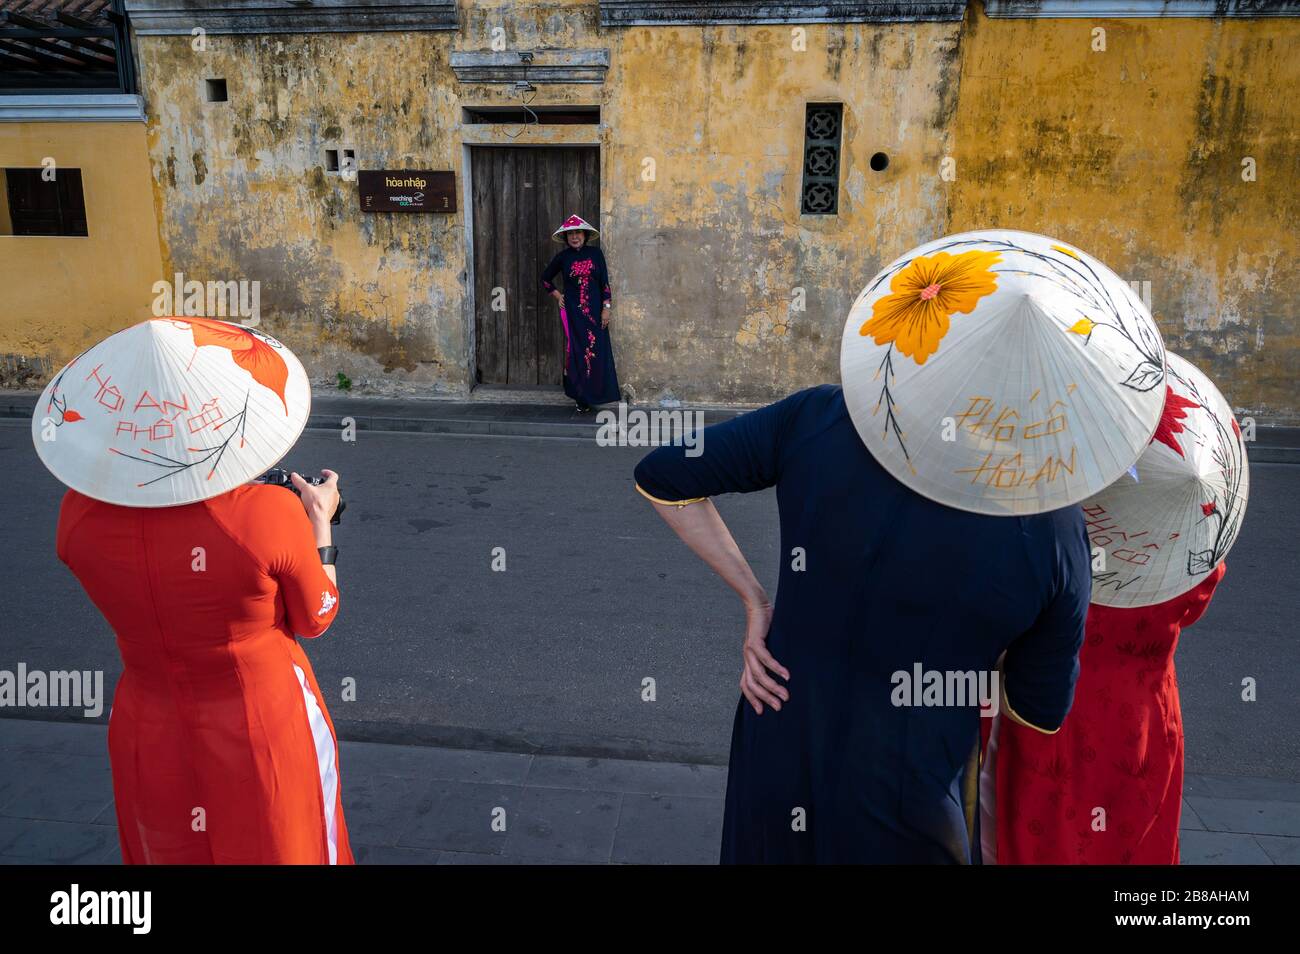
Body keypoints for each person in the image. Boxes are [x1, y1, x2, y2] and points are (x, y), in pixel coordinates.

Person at [633, 384, 1092, 863]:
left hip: (782, 733)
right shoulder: (1052, 520)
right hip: (914, 783)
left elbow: (664, 475)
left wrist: (755, 602)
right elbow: (1039, 708)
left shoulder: (822, 415)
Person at [35, 316, 352, 864]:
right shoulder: (265, 513)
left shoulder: (76, 517)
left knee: (172, 848)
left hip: (147, 716)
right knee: (283, 841)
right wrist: (320, 525)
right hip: (262, 718)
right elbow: (316, 616)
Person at [982, 563, 1225, 865]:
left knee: (1042, 834)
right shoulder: (1192, 528)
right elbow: (1196, 602)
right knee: (1126, 842)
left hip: (1048, 703)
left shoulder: (1054, 531)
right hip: (1140, 717)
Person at [541, 213, 619, 411]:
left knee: (596, 351)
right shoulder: (563, 258)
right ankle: (580, 397)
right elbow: (545, 279)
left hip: (595, 313)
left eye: (577, 233)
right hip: (573, 315)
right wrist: (559, 297)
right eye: (570, 234)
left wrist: (606, 308)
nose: (574, 237)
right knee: (576, 353)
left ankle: (598, 394)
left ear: (584, 235)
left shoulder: (596, 254)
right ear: (566, 238)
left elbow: (605, 284)